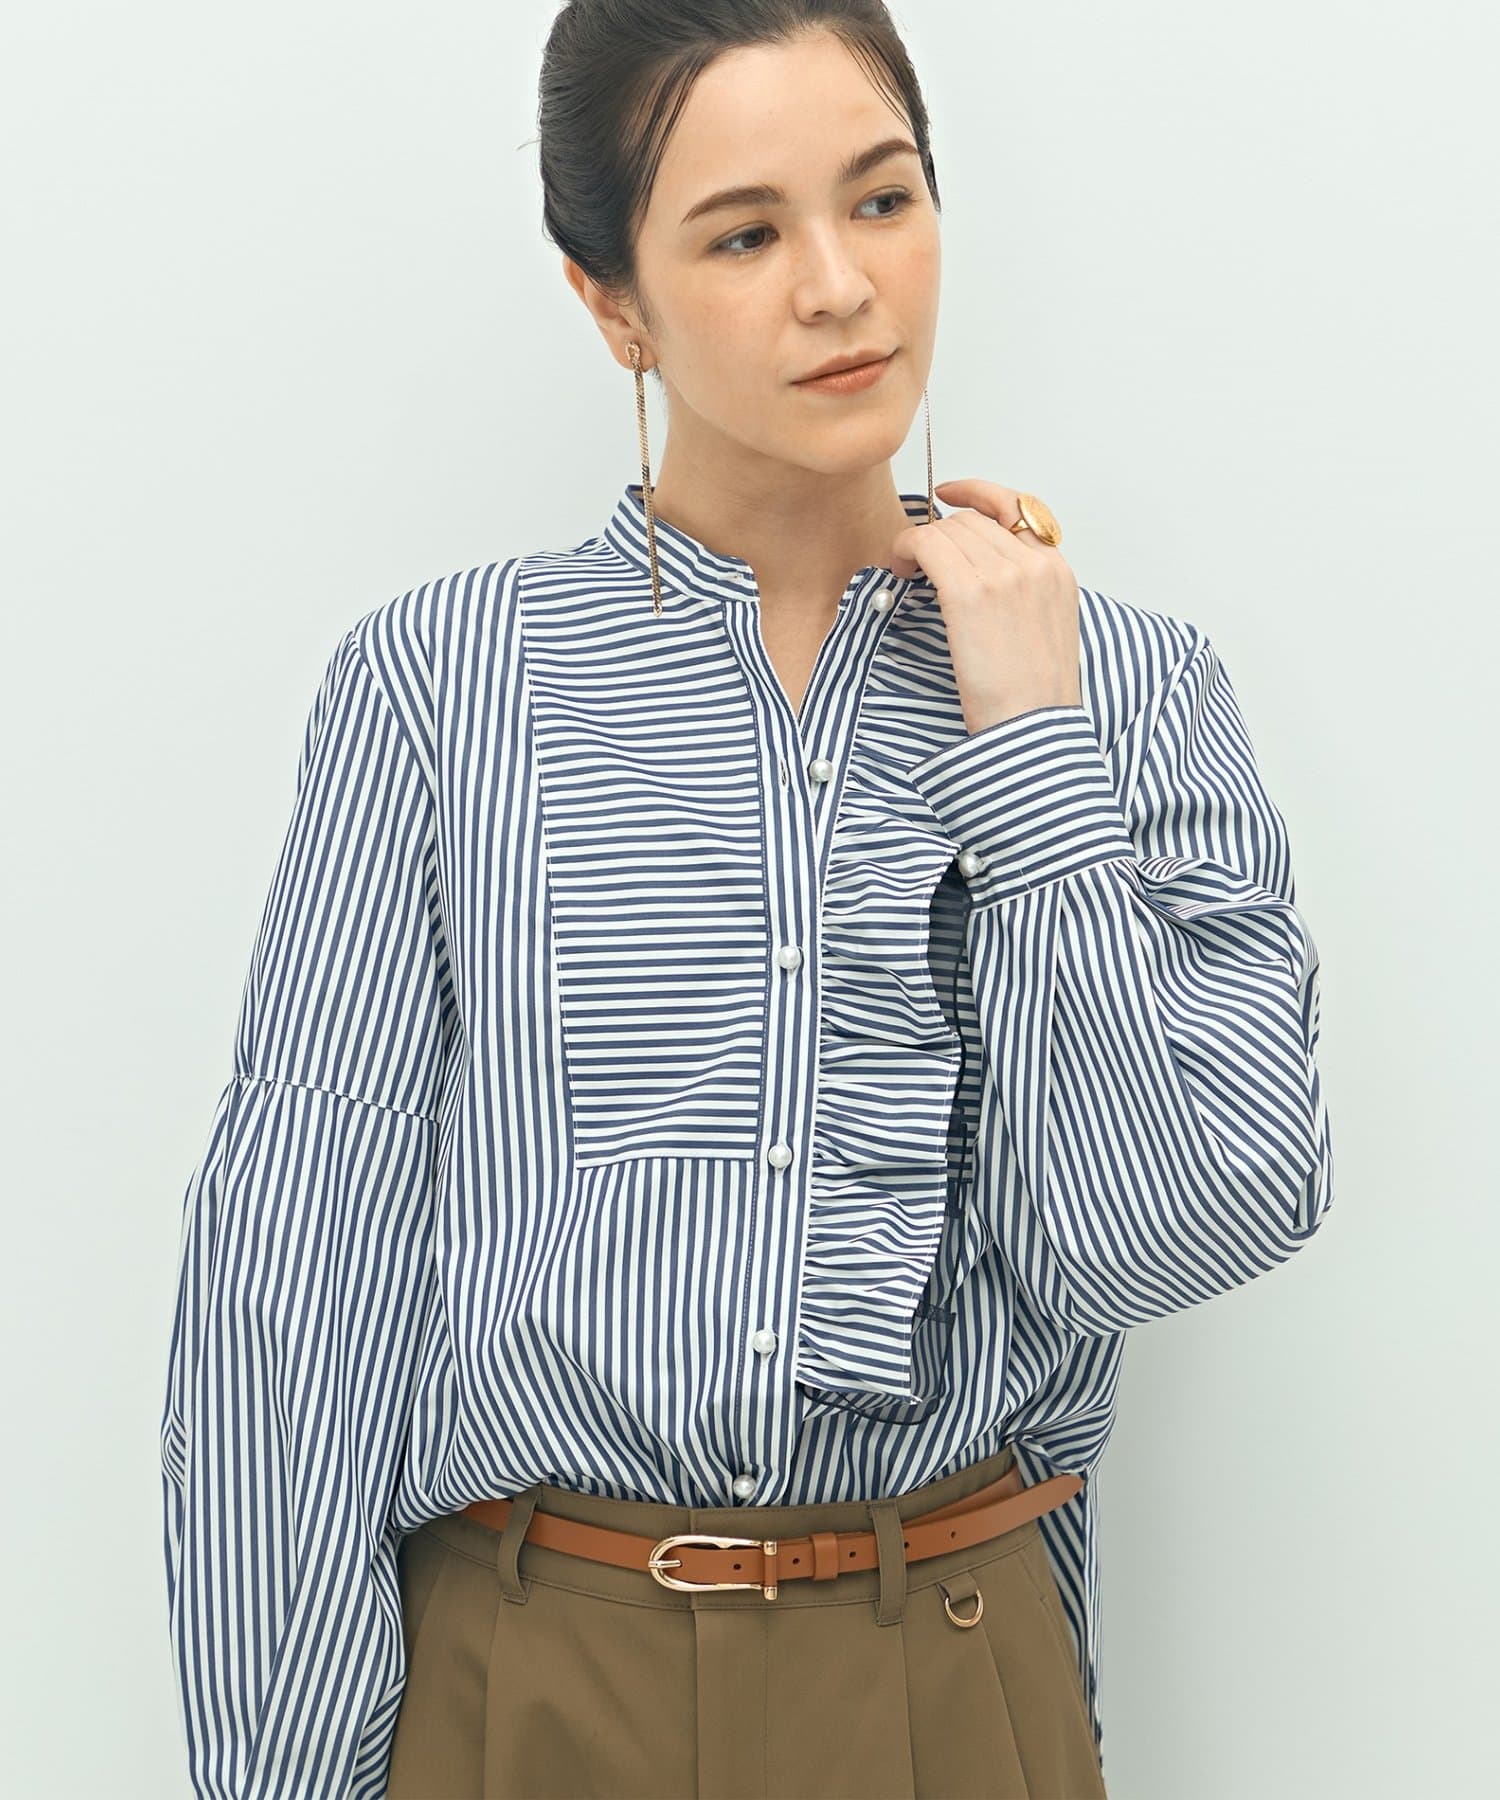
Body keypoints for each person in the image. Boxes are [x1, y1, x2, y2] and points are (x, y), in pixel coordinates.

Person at [157, 3, 1337, 1797]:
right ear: (610, 302)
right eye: (742, 234)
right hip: (531, 1680)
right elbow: (290, 1287)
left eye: (882, 200)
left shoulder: (1131, 693)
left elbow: (1158, 1236)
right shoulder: (443, 688)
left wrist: (1030, 752)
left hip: (950, 1669)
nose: (841, 288)